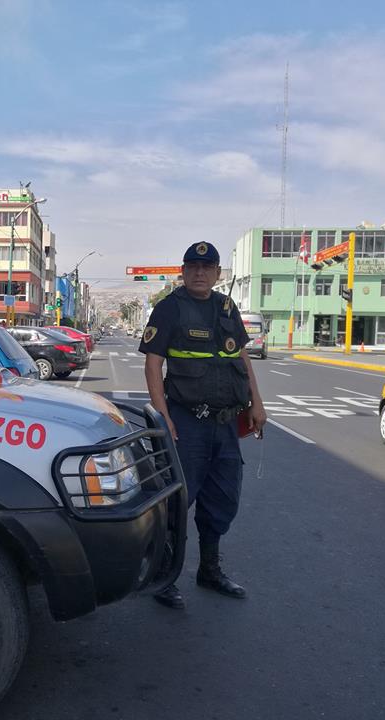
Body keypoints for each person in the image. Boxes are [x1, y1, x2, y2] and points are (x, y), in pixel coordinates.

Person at [139, 241, 266, 610]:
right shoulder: (169, 309)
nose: (199, 272)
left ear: (217, 273)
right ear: (182, 271)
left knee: (222, 498)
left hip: (225, 424)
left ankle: (209, 570)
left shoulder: (226, 307)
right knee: (179, 501)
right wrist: (163, 417)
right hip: (186, 422)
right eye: (192, 266)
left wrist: (257, 402)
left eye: (207, 267)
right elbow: (153, 365)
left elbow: (242, 356)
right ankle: (165, 576)